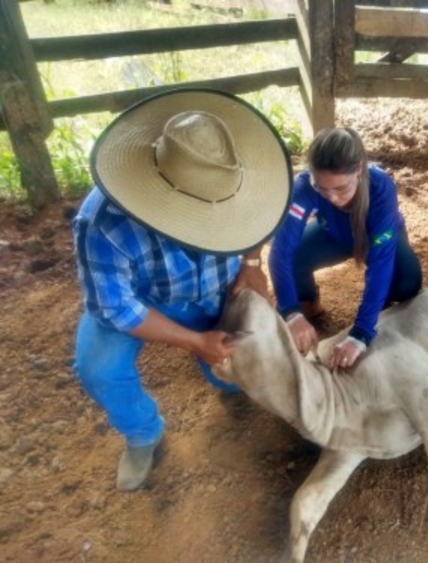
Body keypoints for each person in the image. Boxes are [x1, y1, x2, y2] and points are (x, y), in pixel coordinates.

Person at [72, 88, 292, 491]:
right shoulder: (101, 222)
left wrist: (251, 261)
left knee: (231, 367)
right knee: (99, 369)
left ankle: (226, 382)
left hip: (213, 288)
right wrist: (195, 341)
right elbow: (116, 308)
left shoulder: (245, 174)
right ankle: (143, 433)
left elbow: (262, 215)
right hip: (141, 298)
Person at [269, 127, 422, 369]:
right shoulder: (304, 186)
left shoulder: (381, 187)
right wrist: (291, 311)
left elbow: (381, 262)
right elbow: (280, 251)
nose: (331, 197)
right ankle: (308, 303)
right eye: (322, 188)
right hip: (334, 233)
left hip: (378, 239)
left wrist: (361, 331)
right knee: (295, 254)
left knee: (407, 282)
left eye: (340, 188)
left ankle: (381, 312)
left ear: (359, 170)